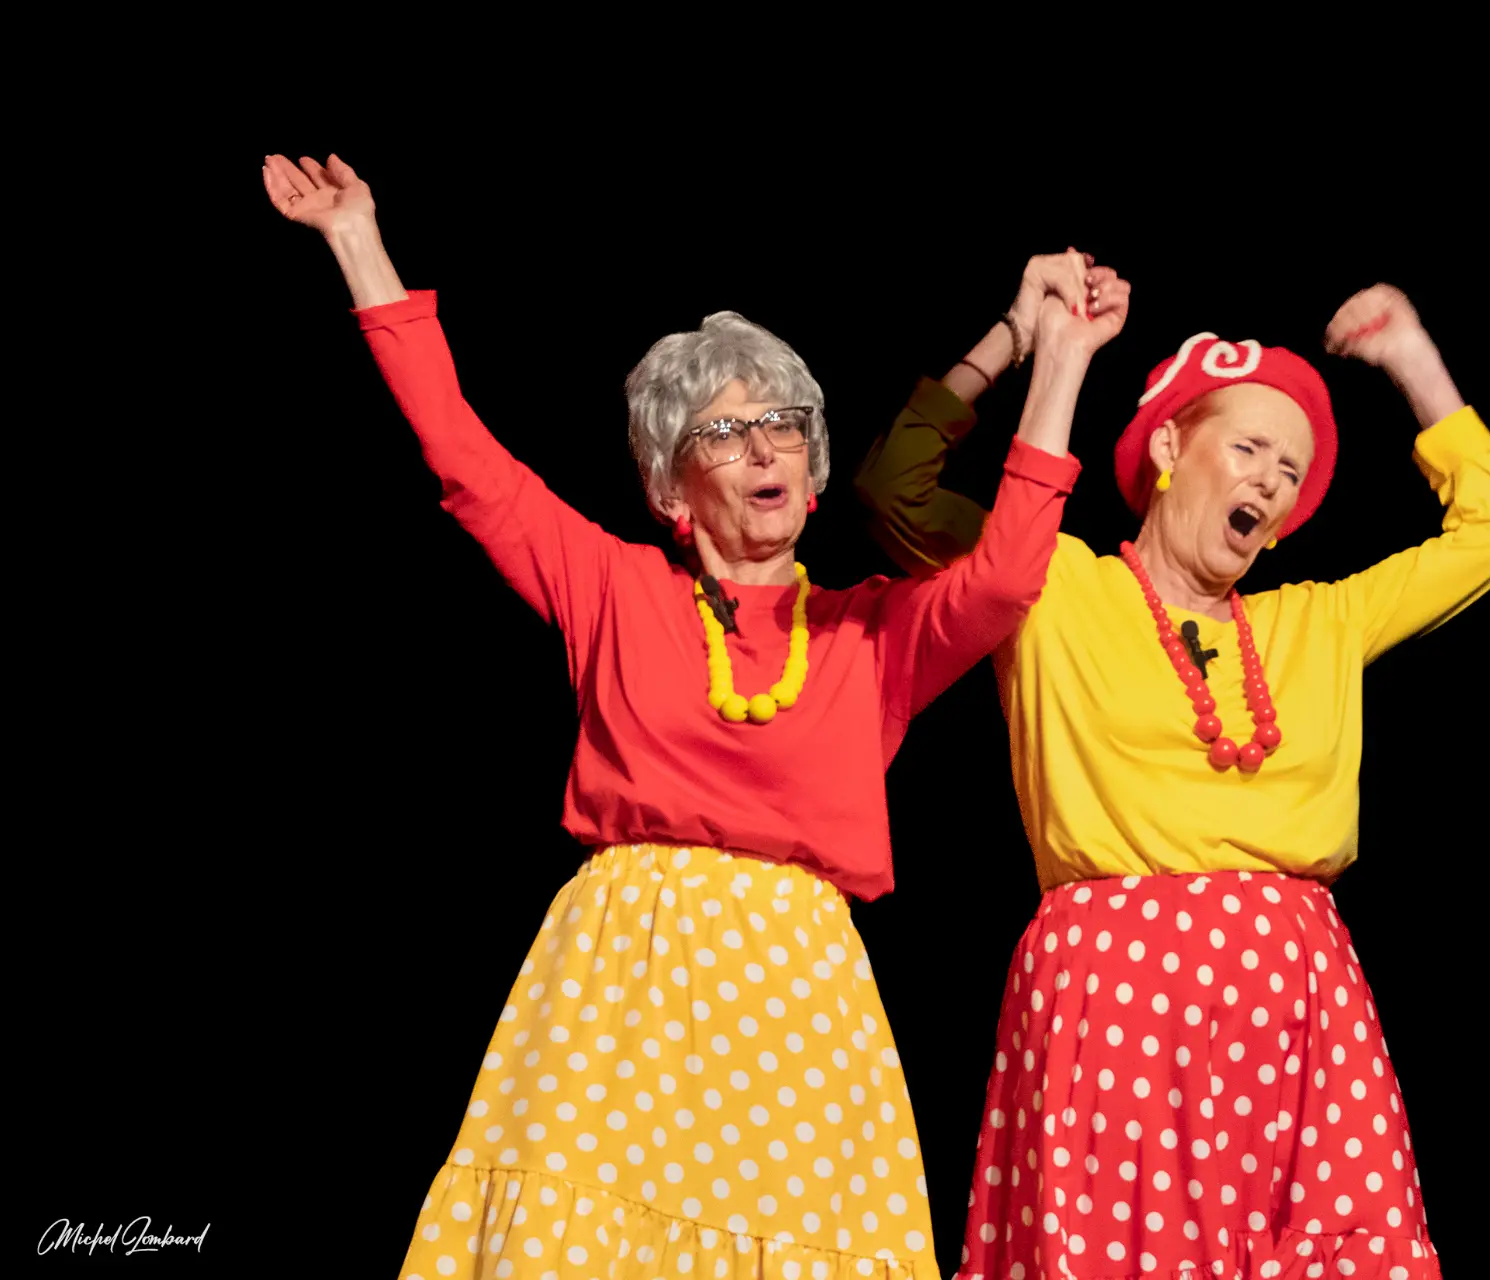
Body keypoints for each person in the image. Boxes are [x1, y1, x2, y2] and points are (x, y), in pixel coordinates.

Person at [262, 151, 1128, 1279]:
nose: (763, 446)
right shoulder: (615, 588)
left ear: (814, 470)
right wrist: (357, 240)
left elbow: (1009, 576)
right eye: (724, 432)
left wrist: (1053, 356)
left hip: (796, 997)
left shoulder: (871, 632)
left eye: (784, 425)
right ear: (672, 491)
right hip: (622, 980)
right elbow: (466, 457)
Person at [852, 278, 1490, 1278]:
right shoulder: (1053, 583)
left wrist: (1411, 357)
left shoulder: (1320, 620)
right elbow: (893, 489)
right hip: (1116, 994)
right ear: (1171, 446)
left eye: (1290, 469)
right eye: (1250, 447)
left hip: (1296, 1003)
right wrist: (1014, 337)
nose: (1271, 479)